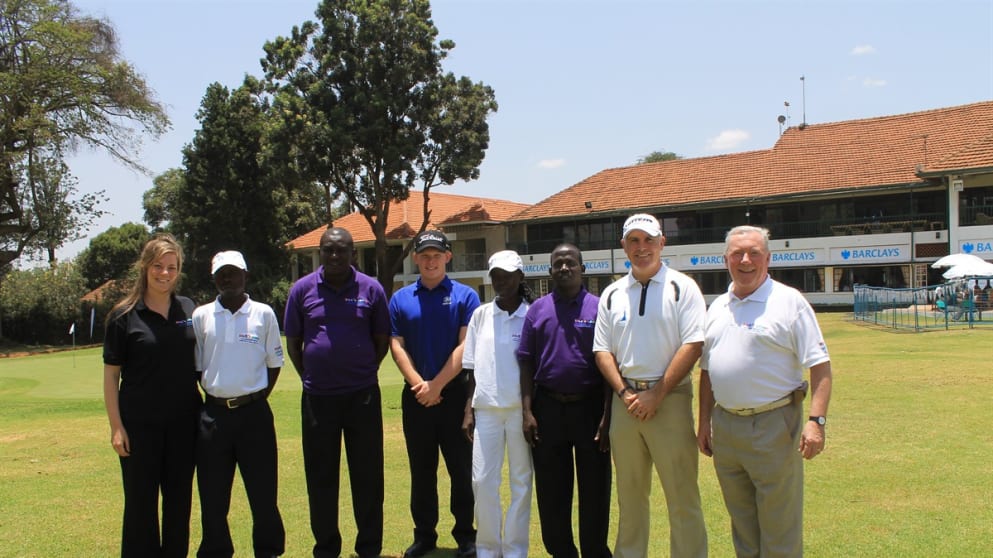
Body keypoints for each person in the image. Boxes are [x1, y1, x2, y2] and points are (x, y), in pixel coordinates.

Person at [698, 225, 833, 558]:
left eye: (754, 253)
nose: (745, 260)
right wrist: (704, 422)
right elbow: (707, 372)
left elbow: (820, 365)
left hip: (773, 424)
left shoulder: (789, 302)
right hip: (726, 428)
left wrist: (816, 421)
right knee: (743, 525)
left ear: (767, 258)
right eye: (737, 254)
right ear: (725, 259)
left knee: (779, 528)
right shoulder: (717, 307)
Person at [593, 214, 708, 558]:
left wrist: (656, 394)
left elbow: (693, 344)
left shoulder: (682, 287)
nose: (641, 248)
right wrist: (626, 393)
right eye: (634, 240)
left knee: (682, 495)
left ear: (662, 243)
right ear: (624, 246)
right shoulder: (612, 293)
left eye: (648, 240)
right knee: (629, 496)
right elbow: (602, 350)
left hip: (669, 399)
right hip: (624, 400)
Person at [284, 227, 390, 558]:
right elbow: (293, 343)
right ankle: (326, 548)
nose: (334, 256)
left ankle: (369, 548)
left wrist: (362, 370)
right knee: (321, 478)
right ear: (320, 252)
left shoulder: (371, 289)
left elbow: (382, 340)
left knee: (368, 477)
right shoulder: (302, 290)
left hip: (362, 396)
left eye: (341, 250)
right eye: (328, 250)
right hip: (318, 399)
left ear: (353, 254)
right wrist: (313, 374)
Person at [103, 233, 201, 558]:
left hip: (184, 427)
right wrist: (116, 427)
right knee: (140, 510)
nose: (165, 274)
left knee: (178, 507)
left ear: (179, 270)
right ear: (145, 267)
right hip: (139, 428)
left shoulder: (188, 309)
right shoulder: (123, 315)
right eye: (158, 266)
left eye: (172, 267)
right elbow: (111, 375)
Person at [517, 244, 612, 558]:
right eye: (557, 264)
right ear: (550, 271)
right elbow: (527, 362)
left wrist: (608, 414)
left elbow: (610, 363)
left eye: (570, 263)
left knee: (594, 489)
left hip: (591, 408)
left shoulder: (599, 308)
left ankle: (595, 551)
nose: (564, 268)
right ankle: (562, 552)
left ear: (582, 268)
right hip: (548, 409)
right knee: (552, 490)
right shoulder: (537, 310)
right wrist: (527, 411)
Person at [389, 230, 480, 558]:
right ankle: (424, 535)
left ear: (447, 257)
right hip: (416, 397)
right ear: (415, 258)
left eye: (436, 255)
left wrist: (437, 385)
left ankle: (466, 536)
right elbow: (396, 345)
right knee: (422, 471)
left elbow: (465, 344)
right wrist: (420, 386)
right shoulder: (400, 298)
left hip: (454, 396)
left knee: (461, 470)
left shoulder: (465, 296)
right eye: (424, 255)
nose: (430, 261)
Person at [193, 251, 285, 558]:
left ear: (245, 275)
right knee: (213, 493)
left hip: (254, 414)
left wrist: (253, 397)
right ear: (214, 278)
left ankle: (268, 550)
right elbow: (197, 367)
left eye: (232, 272)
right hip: (213, 415)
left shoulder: (263, 313)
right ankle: (216, 550)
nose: (227, 279)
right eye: (221, 273)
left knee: (263, 491)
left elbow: (274, 365)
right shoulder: (201, 316)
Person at [461, 250, 533, 558]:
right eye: (496, 276)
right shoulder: (480, 315)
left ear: (519, 277)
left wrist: (531, 412)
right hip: (486, 410)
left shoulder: (532, 315)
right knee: (482, 481)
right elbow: (472, 367)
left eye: (507, 275)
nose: (501, 281)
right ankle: (488, 549)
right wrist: (468, 410)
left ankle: (515, 550)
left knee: (521, 482)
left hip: (519, 412)